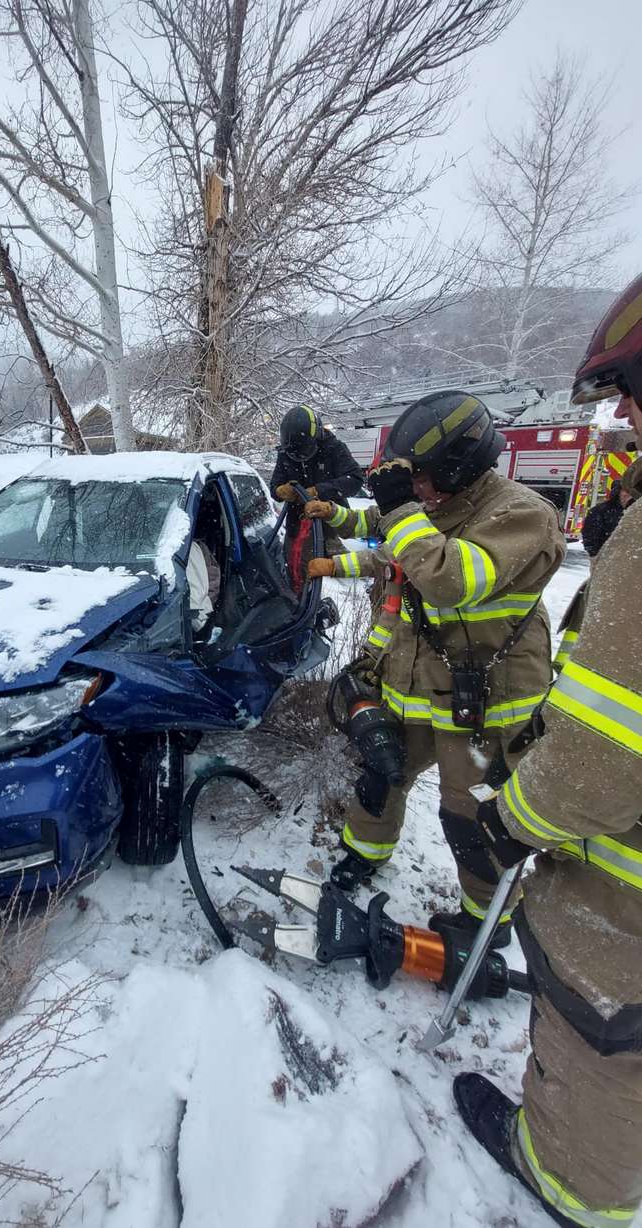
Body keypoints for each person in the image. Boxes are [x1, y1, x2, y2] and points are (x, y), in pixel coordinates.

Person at [453, 274, 642, 1228]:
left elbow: (609, 741)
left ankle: (568, 1182)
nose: (627, 420)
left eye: (630, 396)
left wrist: (516, 817)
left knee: (601, 1011)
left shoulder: (518, 510)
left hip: (622, 871)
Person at [304, 391, 565, 945]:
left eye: (423, 478)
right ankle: (363, 854)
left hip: (484, 705)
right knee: (382, 774)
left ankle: (483, 917)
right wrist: (346, 531)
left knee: (470, 815)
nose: (417, 489)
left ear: (459, 466)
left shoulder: (522, 515)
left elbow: (447, 577)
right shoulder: (438, 507)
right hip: (414, 683)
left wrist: (400, 512)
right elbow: (391, 540)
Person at [271, 406, 364, 564]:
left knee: (323, 570)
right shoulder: (286, 453)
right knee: (293, 566)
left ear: (316, 437)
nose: (299, 457)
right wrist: (280, 491)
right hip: (296, 524)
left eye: (302, 452)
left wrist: (317, 491)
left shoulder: (333, 449)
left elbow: (354, 479)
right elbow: (274, 486)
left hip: (329, 524)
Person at [580, 479, 631, 559]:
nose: (628, 494)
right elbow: (589, 534)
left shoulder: (634, 512)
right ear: (617, 492)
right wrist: (595, 554)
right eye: (625, 491)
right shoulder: (600, 511)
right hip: (605, 558)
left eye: (631, 492)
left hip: (628, 560)